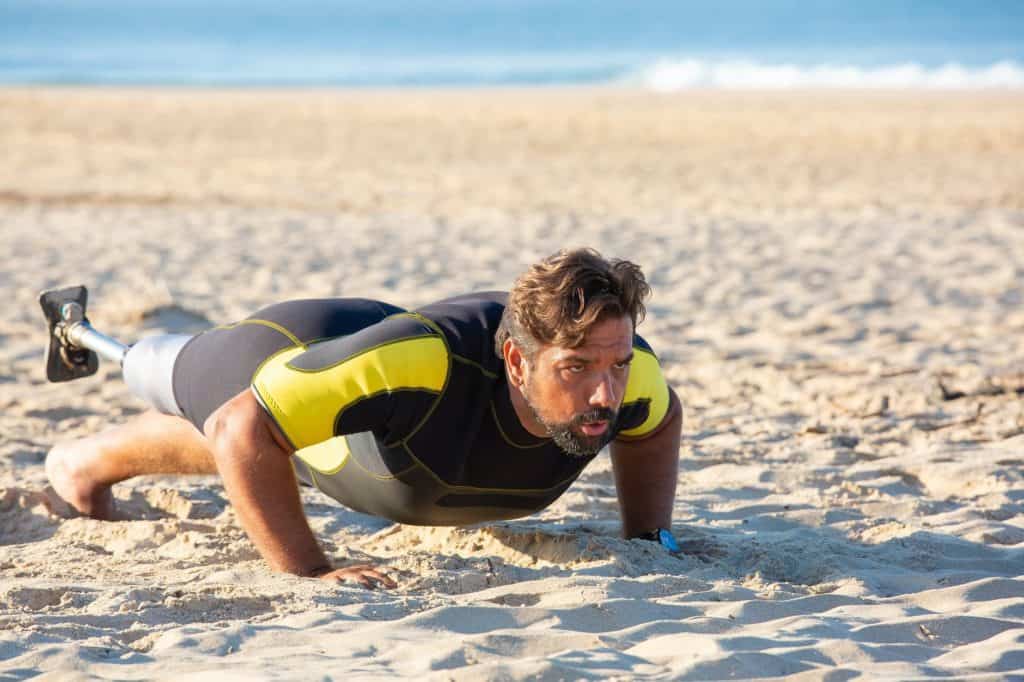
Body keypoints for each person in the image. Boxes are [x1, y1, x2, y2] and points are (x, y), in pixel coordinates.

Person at [45, 248, 682, 588]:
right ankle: (82, 365)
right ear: (518, 361)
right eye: (576, 370)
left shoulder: (628, 373)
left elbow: (658, 423)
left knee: (281, 428)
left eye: (617, 365)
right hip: (292, 345)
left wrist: (650, 537)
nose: (606, 394)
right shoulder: (417, 367)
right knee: (215, 404)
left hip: (382, 361)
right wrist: (310, 570)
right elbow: (244, 429)